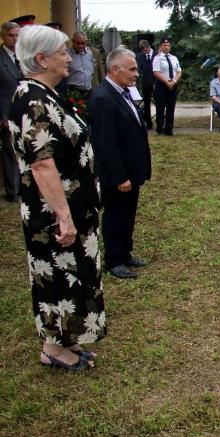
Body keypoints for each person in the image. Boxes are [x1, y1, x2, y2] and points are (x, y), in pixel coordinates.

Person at [10, 25, 105, 370]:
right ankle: (53, 350)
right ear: (41, 58)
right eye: (62, 52)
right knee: (56, 278)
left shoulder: (44, 92)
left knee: (73, 275)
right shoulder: (33, 99)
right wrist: (64, 216)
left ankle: (65, 341)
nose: (68, 57)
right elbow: (42, 164)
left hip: (71, 208)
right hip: (53, 214)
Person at [89, 47, 152, 280]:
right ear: (115, 69)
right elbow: (105, 144)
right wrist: (119, 177)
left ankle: (125, 252)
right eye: (132, 69)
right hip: (118, 174)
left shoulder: (122, 92)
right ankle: (114, 260)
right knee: (116, 215)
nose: (137, 74)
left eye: (136, 68)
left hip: (131, 171)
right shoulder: (103, 98)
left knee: (128, 212)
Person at [1, 21, 21, 203]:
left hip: (23, 111)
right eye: (11, 36)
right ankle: (12, 190)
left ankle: (21, 185)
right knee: (10, 151)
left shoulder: (23, 56)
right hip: (6, 113)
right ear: (3, 36)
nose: (15, 39)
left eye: (17, 35)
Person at [152, 37, 182, 136]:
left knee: (171, 107)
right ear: (161, 46)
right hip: (161, 84)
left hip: (173, 84)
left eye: (168, 45)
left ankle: (169, 129)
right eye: (164, 45)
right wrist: (166, 82)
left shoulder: (174, 58)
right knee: (160, 108)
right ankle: (160, 129)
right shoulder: (157, 58)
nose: (166, 47)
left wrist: (173, 81)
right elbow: (156, 72)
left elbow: (179, 71)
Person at [66, 31, 104, 103]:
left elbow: (101, 72)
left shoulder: (95, 53)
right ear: (73, 41)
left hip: (91, 91)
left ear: (87, 42)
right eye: (78, 43)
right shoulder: (66, 54)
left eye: (83, 43)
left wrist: (103, 89)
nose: (80, 45)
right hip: (73, 92)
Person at [136, 39, 155, 129]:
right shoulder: (140, 56)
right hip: (145, 83)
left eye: (146, 50)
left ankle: (160, 121)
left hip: (156, 83)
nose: (145, 52)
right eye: (143, 51)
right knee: (146, 104)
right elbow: (139, 70)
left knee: (159, 103)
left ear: (149, 47)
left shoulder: (156, 55)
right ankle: (148, 123)